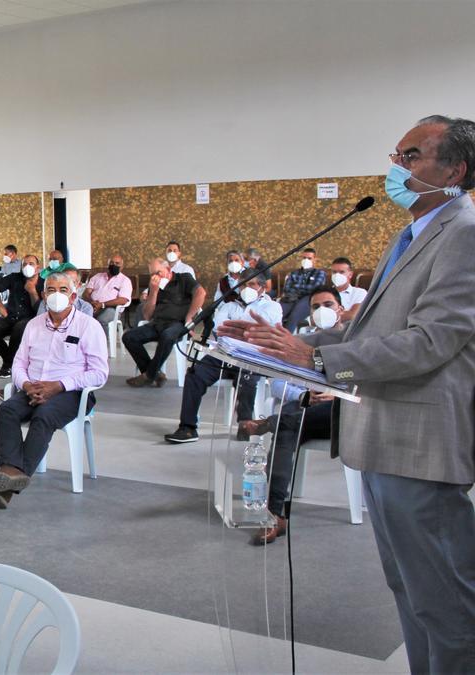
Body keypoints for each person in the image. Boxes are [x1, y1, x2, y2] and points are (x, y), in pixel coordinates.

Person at [218, 115, 475, 673]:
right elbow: (368, 334)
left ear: (453, 169)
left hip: (421, 443)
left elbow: (431, 342)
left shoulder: (464, 231)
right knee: (409, 590)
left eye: (411, 156)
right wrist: (275, 344)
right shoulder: (414, 232)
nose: (395, 167)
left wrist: (314, 358)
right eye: (397, 154)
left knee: (447, 605)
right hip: (382, 435)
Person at [0, 273, 109, 508]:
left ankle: (11, 475)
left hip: (72, 392)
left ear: (73, 295)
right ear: (44, 295)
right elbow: (18, 364)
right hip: (32, 388)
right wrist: (26, 384)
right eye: (50, 289)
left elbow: (99, 373)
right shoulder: (33, 325)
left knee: (44, 415)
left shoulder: (89, 326)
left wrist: (58, 386)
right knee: (6, 410)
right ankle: (10, 476)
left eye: (63, 290)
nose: (56, 294)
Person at [236, 287, 346, 545]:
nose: (322, 311)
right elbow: (277, 383)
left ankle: (267, 423)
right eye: (316, 307)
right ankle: (276, 514)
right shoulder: (300, 341)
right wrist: (304, 396)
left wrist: (335, 396)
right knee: (287, 429)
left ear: (340, 308)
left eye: (328, 305)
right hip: (306, 411)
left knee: (286, 421)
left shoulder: (354, 340)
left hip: (342, 414)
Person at [162, 275, 282, 443]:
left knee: (246, 379)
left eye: (252, 284)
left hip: (252, 356)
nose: (247, 288)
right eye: (244, 285)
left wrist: (238, 329)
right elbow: (220, 330)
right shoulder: (228, 305)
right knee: (195, 374)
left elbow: (265, 332)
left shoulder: (272, 306)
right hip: (224, 354)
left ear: (262, 287)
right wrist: (247, 330)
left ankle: (245, 423)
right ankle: (187, 428)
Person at [122, 259, 205, 388]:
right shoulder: (154, 286)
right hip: (157, 323)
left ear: (168, 270)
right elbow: (147, 315)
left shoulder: (184, 279)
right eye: (152, 274)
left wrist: (189, 317)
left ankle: (149, 375)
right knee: (128, 337)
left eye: (158, 272)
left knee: (167, 336)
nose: (155, 276)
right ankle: (156, 374)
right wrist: (154, 292)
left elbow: (201, 293)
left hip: (178, 323)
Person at [0, 254, 42, 378]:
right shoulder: (15, 278)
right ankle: (11, 361)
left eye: (31, 264)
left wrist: (32, 292)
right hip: (10, 316)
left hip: (30, 319)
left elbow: (40, 309)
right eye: (24, 264)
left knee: (19, 329)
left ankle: (8, 365)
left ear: (38, 267)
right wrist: (0, 306)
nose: (27, 267)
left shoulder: (43, 283)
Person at [83, 254, 132, 337]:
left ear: (122, 267)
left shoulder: (125, 281)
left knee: (102, 320)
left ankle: (101, 344)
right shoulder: (97, 277)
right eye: (112, 263)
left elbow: (123, 300)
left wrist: (102, 304)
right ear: (108, 265)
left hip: (111, 309)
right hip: (92, 305)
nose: (114, 265)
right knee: (80, 318)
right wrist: (92, 302)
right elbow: (86, 293)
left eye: (117, 263)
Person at [278, 247, 327, 329]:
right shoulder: (294, 273)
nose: (306, 260)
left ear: (314, 260)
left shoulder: (320, 273)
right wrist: (303, 289)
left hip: (308, 299)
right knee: (277, 314)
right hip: (291, 298)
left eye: (309, 258)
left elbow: (314, 289)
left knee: (294, 316)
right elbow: (287, 288)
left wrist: (297, 288)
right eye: (304, 258)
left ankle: (286, 339)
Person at [329, 256, 368, 322]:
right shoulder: (323, 293)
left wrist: (324, 317)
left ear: (350, 274)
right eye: (334, 272)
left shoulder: (360, 292)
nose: (337, 275)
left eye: (341, 272)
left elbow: (353, 315)